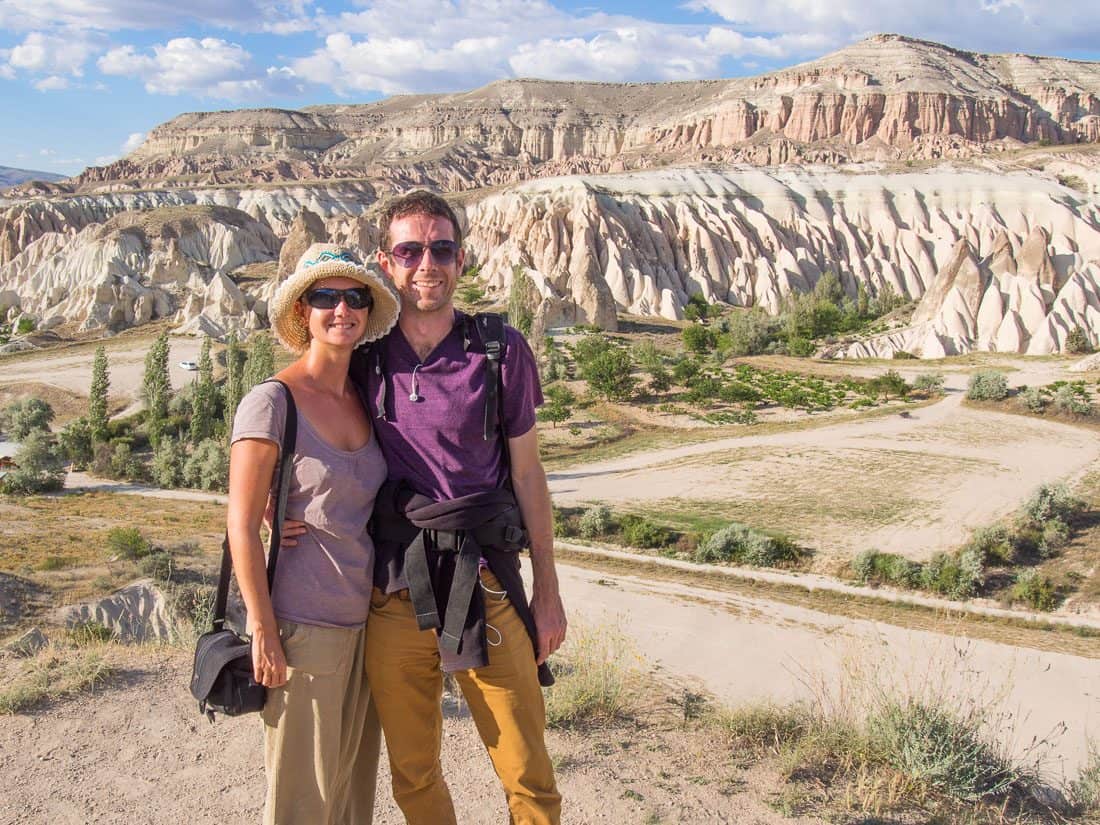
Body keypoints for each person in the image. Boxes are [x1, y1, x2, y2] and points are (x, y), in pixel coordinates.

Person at [356, 190, 567, 825]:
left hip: (489, 586)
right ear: (386, 262)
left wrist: (549, 591)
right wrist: (274, 509)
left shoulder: (497, 350)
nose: (428, 263)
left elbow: (528, 473)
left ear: (463, 259)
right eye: (410, 249)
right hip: (394, 595)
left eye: (441, 248)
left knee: (528, 773)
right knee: (414, 776)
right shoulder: (363, 360)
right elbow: (313, 441)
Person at [225, 243, 399, 825]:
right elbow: (241, 525)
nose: (341, 309)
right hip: (302, 629)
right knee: (303, 802)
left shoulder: (363, 398)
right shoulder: (272, 401)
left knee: (351, 797)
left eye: (354, 297)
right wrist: (263, 631)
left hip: (364, 625)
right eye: (325, 296)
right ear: (303, 312)